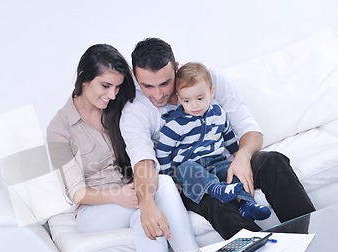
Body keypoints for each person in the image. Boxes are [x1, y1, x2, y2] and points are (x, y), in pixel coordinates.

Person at [120, 37, 315, 239]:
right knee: (215, 201)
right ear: (135, 77)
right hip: (188, 178)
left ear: (176, 68)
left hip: (221, 163)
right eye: (148, 86)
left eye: (165, 83)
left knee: (272, 161)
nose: (158, 94)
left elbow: (249, 128)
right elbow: (143, 162)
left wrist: (242, 157)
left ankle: (307, 239)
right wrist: (147, 203)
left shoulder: (203, 79)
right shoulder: (134, 112)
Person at [46, 44, 198, 252]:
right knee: (162, 186)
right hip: (96, 211)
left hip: (134, 192)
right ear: (83, 78)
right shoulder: (59, 129)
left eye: (117, 87)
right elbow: (76, 193)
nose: (112, 94)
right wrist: (117, 196)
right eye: (105, 86)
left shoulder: (120, 107)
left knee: (144, 218)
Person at [156, 62, 271, 222]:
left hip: (216, 162)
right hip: (187, 167)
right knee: (189, 169)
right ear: (179, 98)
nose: (194, 105)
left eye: (200, 98)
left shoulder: (218, 113)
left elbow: (228, 135)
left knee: (233, 171)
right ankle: (215, 188)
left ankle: (247, 204)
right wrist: (170, 177)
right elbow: (162, 152)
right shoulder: (175, 125)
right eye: (186, 101)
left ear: (211, 92)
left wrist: (238, 155)